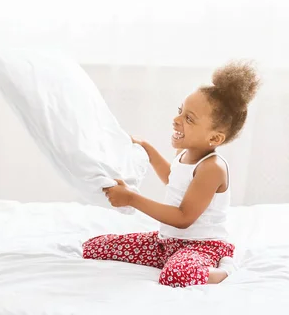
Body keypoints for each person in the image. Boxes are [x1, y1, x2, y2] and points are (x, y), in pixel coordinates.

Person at [82, 60, 260, 288]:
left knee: (174, 276)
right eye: (180, 111)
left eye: (189, 118)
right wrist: (148, 149)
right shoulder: (184, 153)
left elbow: (183, 217)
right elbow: (172, 179)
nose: (176, 120)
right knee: (93, 247)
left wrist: (131, 198)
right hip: (165, 243)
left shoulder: (212, 168)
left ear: (214, 138)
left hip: (201, 246)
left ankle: (224, 270)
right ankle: (175, 259)